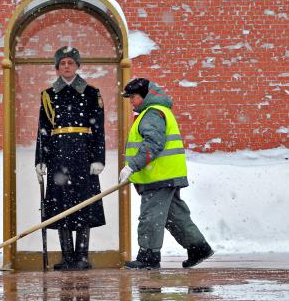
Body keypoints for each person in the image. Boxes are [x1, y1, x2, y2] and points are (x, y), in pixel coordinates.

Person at [119, 78, 214, 270]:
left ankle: (148, 257)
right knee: (175, 216)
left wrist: (132, 166)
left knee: (150, 217)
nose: (131, 102)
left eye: (134, 97)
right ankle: (198, 247)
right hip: (166, 175)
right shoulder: (157, 111)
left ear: (145, 96)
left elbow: (153, 143)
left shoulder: (152, 113)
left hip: (159, 177)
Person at [35, 46, 106, 271]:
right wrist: (41, 159)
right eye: (63, 63)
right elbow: (43, 130)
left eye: (71, 62)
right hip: (58, 157)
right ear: (57, 68)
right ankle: (67, 257)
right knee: (61, 205)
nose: (67, 66)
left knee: (83, 204)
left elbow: (99, 129)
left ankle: (82, 256)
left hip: (83, 156)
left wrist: (98, 158)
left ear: (77, 66)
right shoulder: (47, 95)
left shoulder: (92, 93)